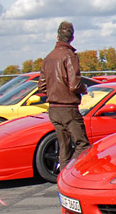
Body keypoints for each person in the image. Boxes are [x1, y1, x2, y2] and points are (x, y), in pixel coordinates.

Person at [37, 21, 90, 174]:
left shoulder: (48, 58)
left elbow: (41, 87)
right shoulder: (70, 56)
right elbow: (74, 85)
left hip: (53, 109)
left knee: (64, 147)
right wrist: (84, 88)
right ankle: (75, 176)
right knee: (82, 145)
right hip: (68, 108)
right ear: (72, 38)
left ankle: (64, 178)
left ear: (57, 36)